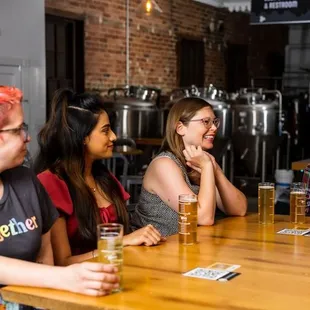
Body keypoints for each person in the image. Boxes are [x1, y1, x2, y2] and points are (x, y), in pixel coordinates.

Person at [0, 86, 120, 309]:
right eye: (18, 130)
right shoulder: (48, 180)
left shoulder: (27, 182)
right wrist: (64, 278)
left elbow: (46, 258)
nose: (27, 138)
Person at [34, 89, 164, 267]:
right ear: (82, 137)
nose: (114, 137)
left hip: (117, 272)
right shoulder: (51, 182)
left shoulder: (103, 177)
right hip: (78, 284)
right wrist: (120, 243)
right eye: (105, 130)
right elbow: (61, 263)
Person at [131, 97, 247, 236]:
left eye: (215, 122)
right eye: (206, 122)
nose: (214, 128)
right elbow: (203, 218)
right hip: (154, 253)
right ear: (180, 128)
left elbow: (239, 209)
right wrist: (207, 168)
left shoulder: (203, 161)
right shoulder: (164, 164)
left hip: (189, 249)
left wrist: (215, 170)